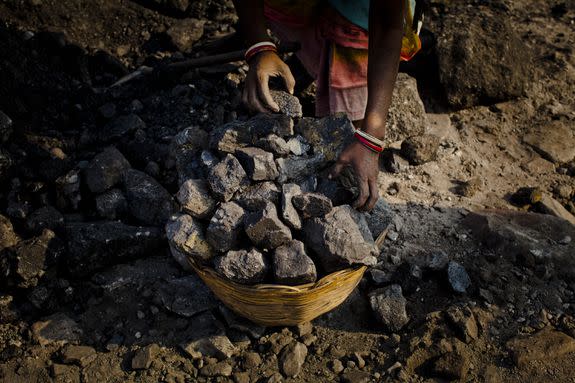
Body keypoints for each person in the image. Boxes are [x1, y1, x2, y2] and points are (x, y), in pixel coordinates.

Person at [232, 0, 422, 211]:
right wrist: (258, 45)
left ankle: (317, 56)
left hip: (362, 13)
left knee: (347, 135)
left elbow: (387, 24)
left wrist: (371, 136)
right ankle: (292, 49)